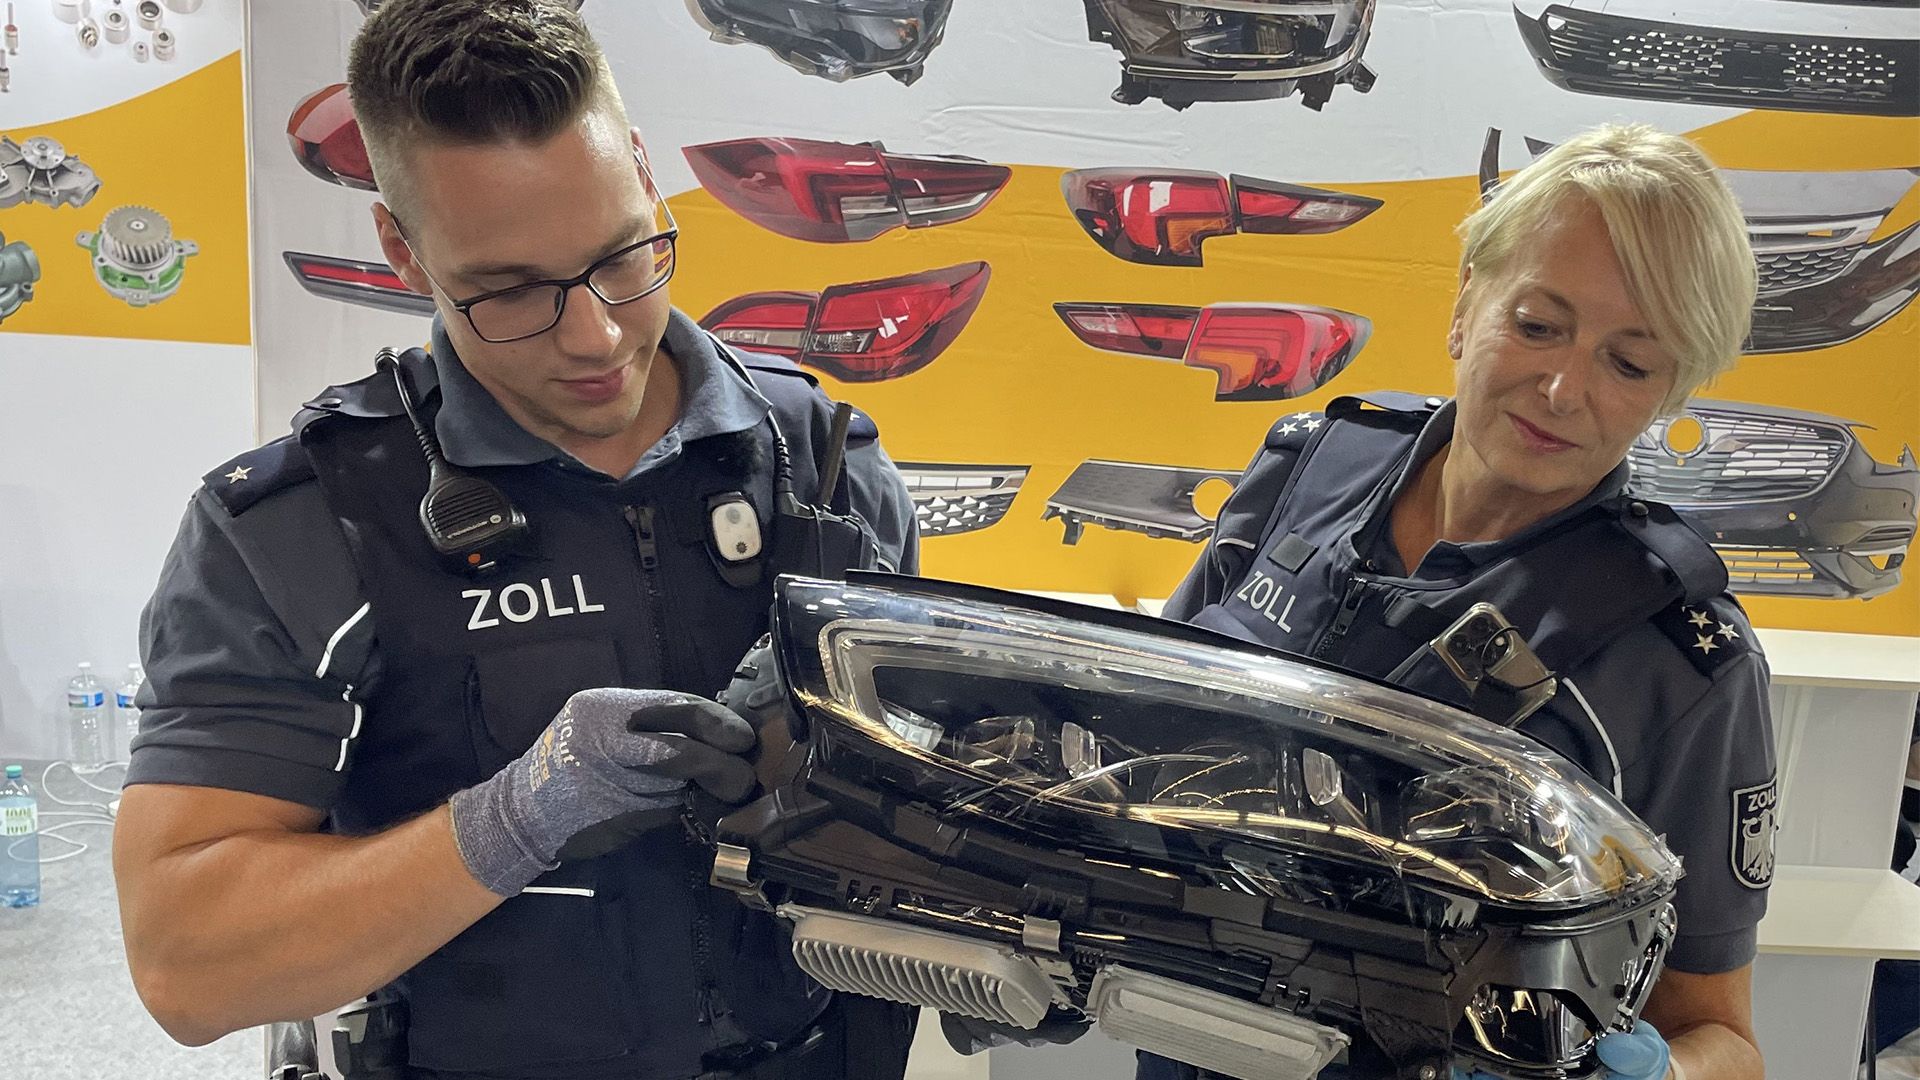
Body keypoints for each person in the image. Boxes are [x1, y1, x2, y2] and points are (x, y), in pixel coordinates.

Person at [110, 2, 919, 1078]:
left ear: (644, 174)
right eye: (509, 291)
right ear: (402, 249)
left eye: (623, 256)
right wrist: (512, 819)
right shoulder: (302, 527)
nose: (597, 336)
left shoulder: (822, 465)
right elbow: (187, 967)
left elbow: (912, 795)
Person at [1147, 124, 1773, 1080]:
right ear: (1466, 301)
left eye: (1630, 363)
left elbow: (1723, 1037)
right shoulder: (1307, 476)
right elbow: (1141, 734)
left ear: (1670, 392)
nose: (1562, 388)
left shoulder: (1680, 663)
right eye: (1538, 325)